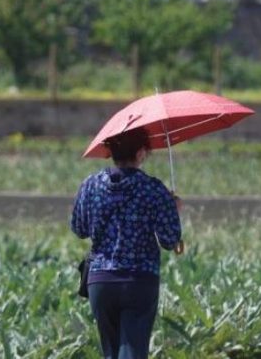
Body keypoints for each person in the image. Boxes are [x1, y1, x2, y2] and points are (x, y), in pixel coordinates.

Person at [71, 127, 182, 359]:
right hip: (139, 280)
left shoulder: (91, 185)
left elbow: (79, 229)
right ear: (141, 153)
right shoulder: (153, 189)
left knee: (111, 354)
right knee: (132, 352)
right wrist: (173, 209)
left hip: (100, 281)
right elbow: (170, 240)